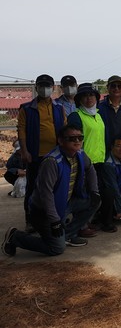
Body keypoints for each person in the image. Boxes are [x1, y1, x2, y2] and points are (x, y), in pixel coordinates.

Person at [2, 125, 101, 256]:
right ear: (60, 141)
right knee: (56, 249)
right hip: (43, 212)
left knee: (95, 201)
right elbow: (45, 194)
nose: (77, 141)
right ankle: (15, 237)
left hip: (64, 203)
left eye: (80, 138)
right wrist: (54, 221)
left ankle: (68, 235)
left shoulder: (80, 154)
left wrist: (94, 191)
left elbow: (90, 169)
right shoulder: (52, 161)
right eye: (72, 138)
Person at [18, 74, 66, 228]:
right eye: (41, 86)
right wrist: (24, 151)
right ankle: (30, 220)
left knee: (54, 187)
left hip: (55, 156)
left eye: (48, 86)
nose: (45, 89)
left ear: (53, 88)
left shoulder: (59, 108)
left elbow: (64, 129)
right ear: (36, 88)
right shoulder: (26, 108)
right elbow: (22, 131)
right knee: (33, 187)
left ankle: (51, 218)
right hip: (35, 155)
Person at [67, 83, 106, 169]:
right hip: (84, 164)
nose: (89, 98)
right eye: (85, 95)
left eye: (91, 95)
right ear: (79, 99)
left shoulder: (98, 115)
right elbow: (72, 143)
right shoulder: (76, 116)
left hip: (100, 161)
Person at [97, 137, 121, 232]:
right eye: (118, 146)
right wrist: (119, 208)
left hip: (120, 190)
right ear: (112, 147)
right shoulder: (108, 164)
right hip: (104, 194)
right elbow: (113, 186)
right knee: (109, 192)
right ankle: (105, 222)